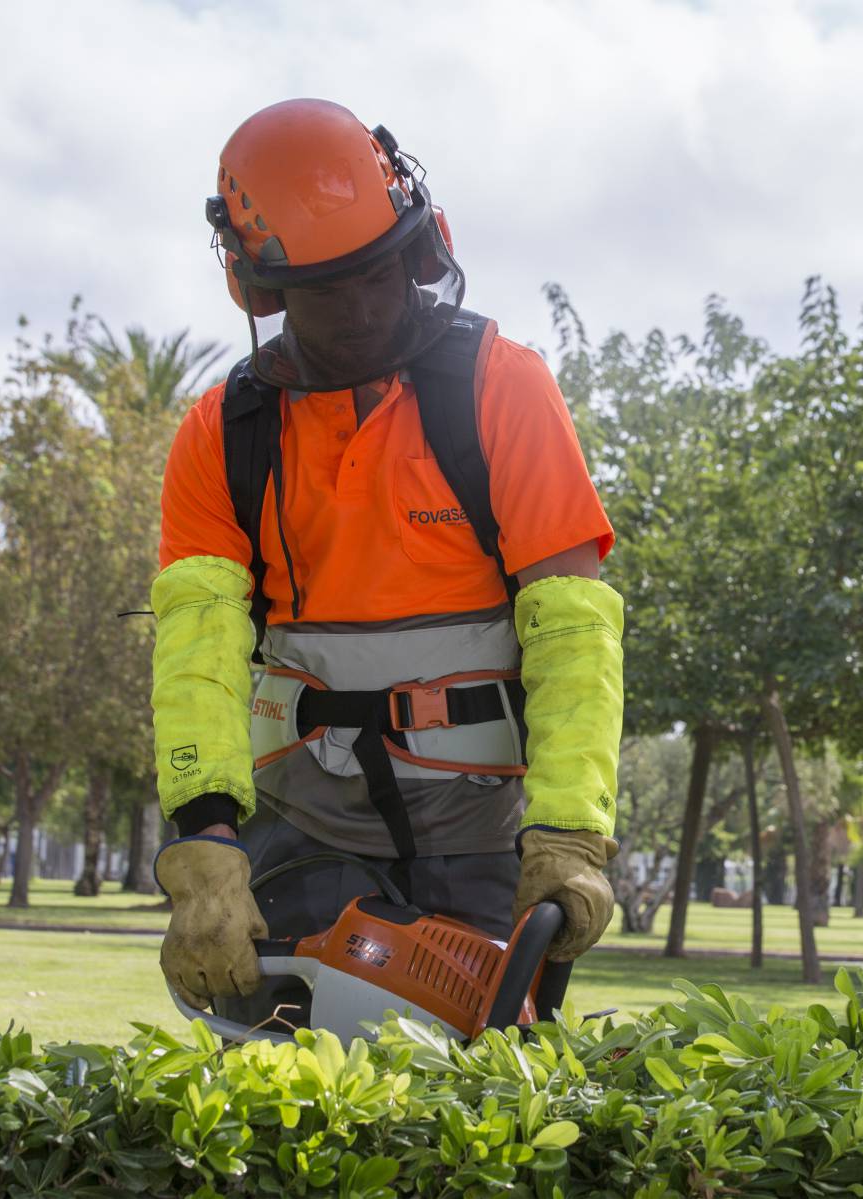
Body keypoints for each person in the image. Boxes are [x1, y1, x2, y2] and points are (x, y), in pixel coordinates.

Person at [148, 98, 623, 1027]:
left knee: (477, 1102)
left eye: (379, 269)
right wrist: (204, 844)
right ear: (265, 287)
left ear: (416, 244)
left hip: (478, 833)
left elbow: (573, 632)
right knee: (281, 1096)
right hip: (302, 828)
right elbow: (196, 650)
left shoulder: (500, 387)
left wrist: (569, 836)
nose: (365, 307)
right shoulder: (222, 433)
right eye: (330, 287)